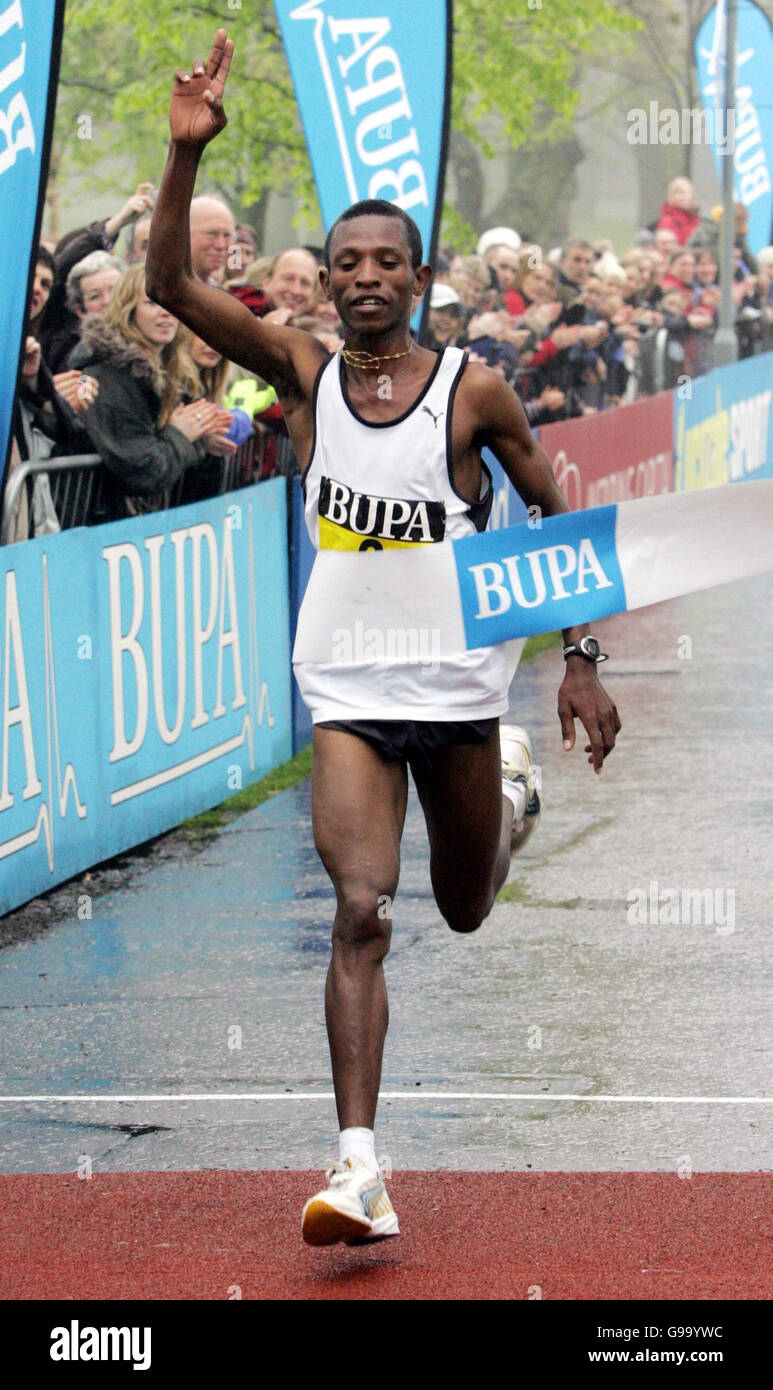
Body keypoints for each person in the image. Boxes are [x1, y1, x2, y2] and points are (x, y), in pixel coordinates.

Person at [146, 30, 621, 1247]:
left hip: (457, 692)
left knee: (461, 908)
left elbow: (553, 508)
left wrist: (579, 655)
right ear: (325, 281)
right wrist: (182, 158)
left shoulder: (472, 389)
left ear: (415, 278)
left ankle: (504, 802)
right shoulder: (300, 374)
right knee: (361, 910)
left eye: (383, 263)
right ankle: (357, 1165)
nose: (360, 278)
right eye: (343, 261)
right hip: (350, 690)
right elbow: (169, 292)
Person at [70, 264, 231, 520]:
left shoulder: (167, 368)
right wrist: (181, 435)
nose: (166, 314)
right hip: (92, 526)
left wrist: (200, 441)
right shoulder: (104, 374)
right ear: (128, 309)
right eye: (153, 303)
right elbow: (143, 471)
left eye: (172, 304)